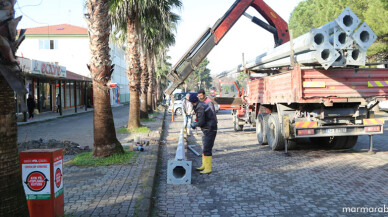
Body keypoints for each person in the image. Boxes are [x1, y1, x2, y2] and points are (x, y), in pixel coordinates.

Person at [189, 94, 217, 174]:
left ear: (192, 102)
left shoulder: (200, 107)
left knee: (207, 149)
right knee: (205, 148)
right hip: (207, 129)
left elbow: (201, 121)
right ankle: (204, 165)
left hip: (210, 129)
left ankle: (208, 168)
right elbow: (200, 118)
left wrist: (195, 124)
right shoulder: (200, 105)